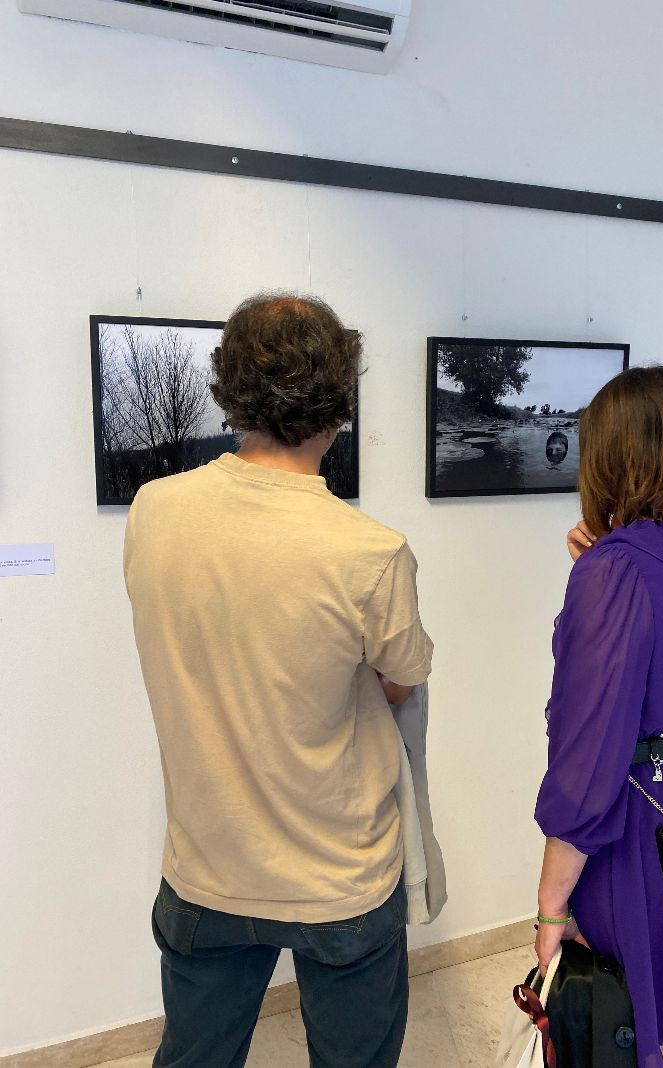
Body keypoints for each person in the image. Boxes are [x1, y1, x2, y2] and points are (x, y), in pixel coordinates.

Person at [123, 293, 433, 1068]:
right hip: (341, 877)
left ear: (229, 388)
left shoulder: (153, 511)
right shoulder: (369, 551)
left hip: (208, 863)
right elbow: (400, 683)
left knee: (194, 1057)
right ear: (340, 401)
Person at [533, 366, 663, 1068]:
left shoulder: (613, 570)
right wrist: (600, 567)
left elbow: (587, 754)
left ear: (609, 455)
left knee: (622, 1017)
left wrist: (548, 909)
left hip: (630, 821)